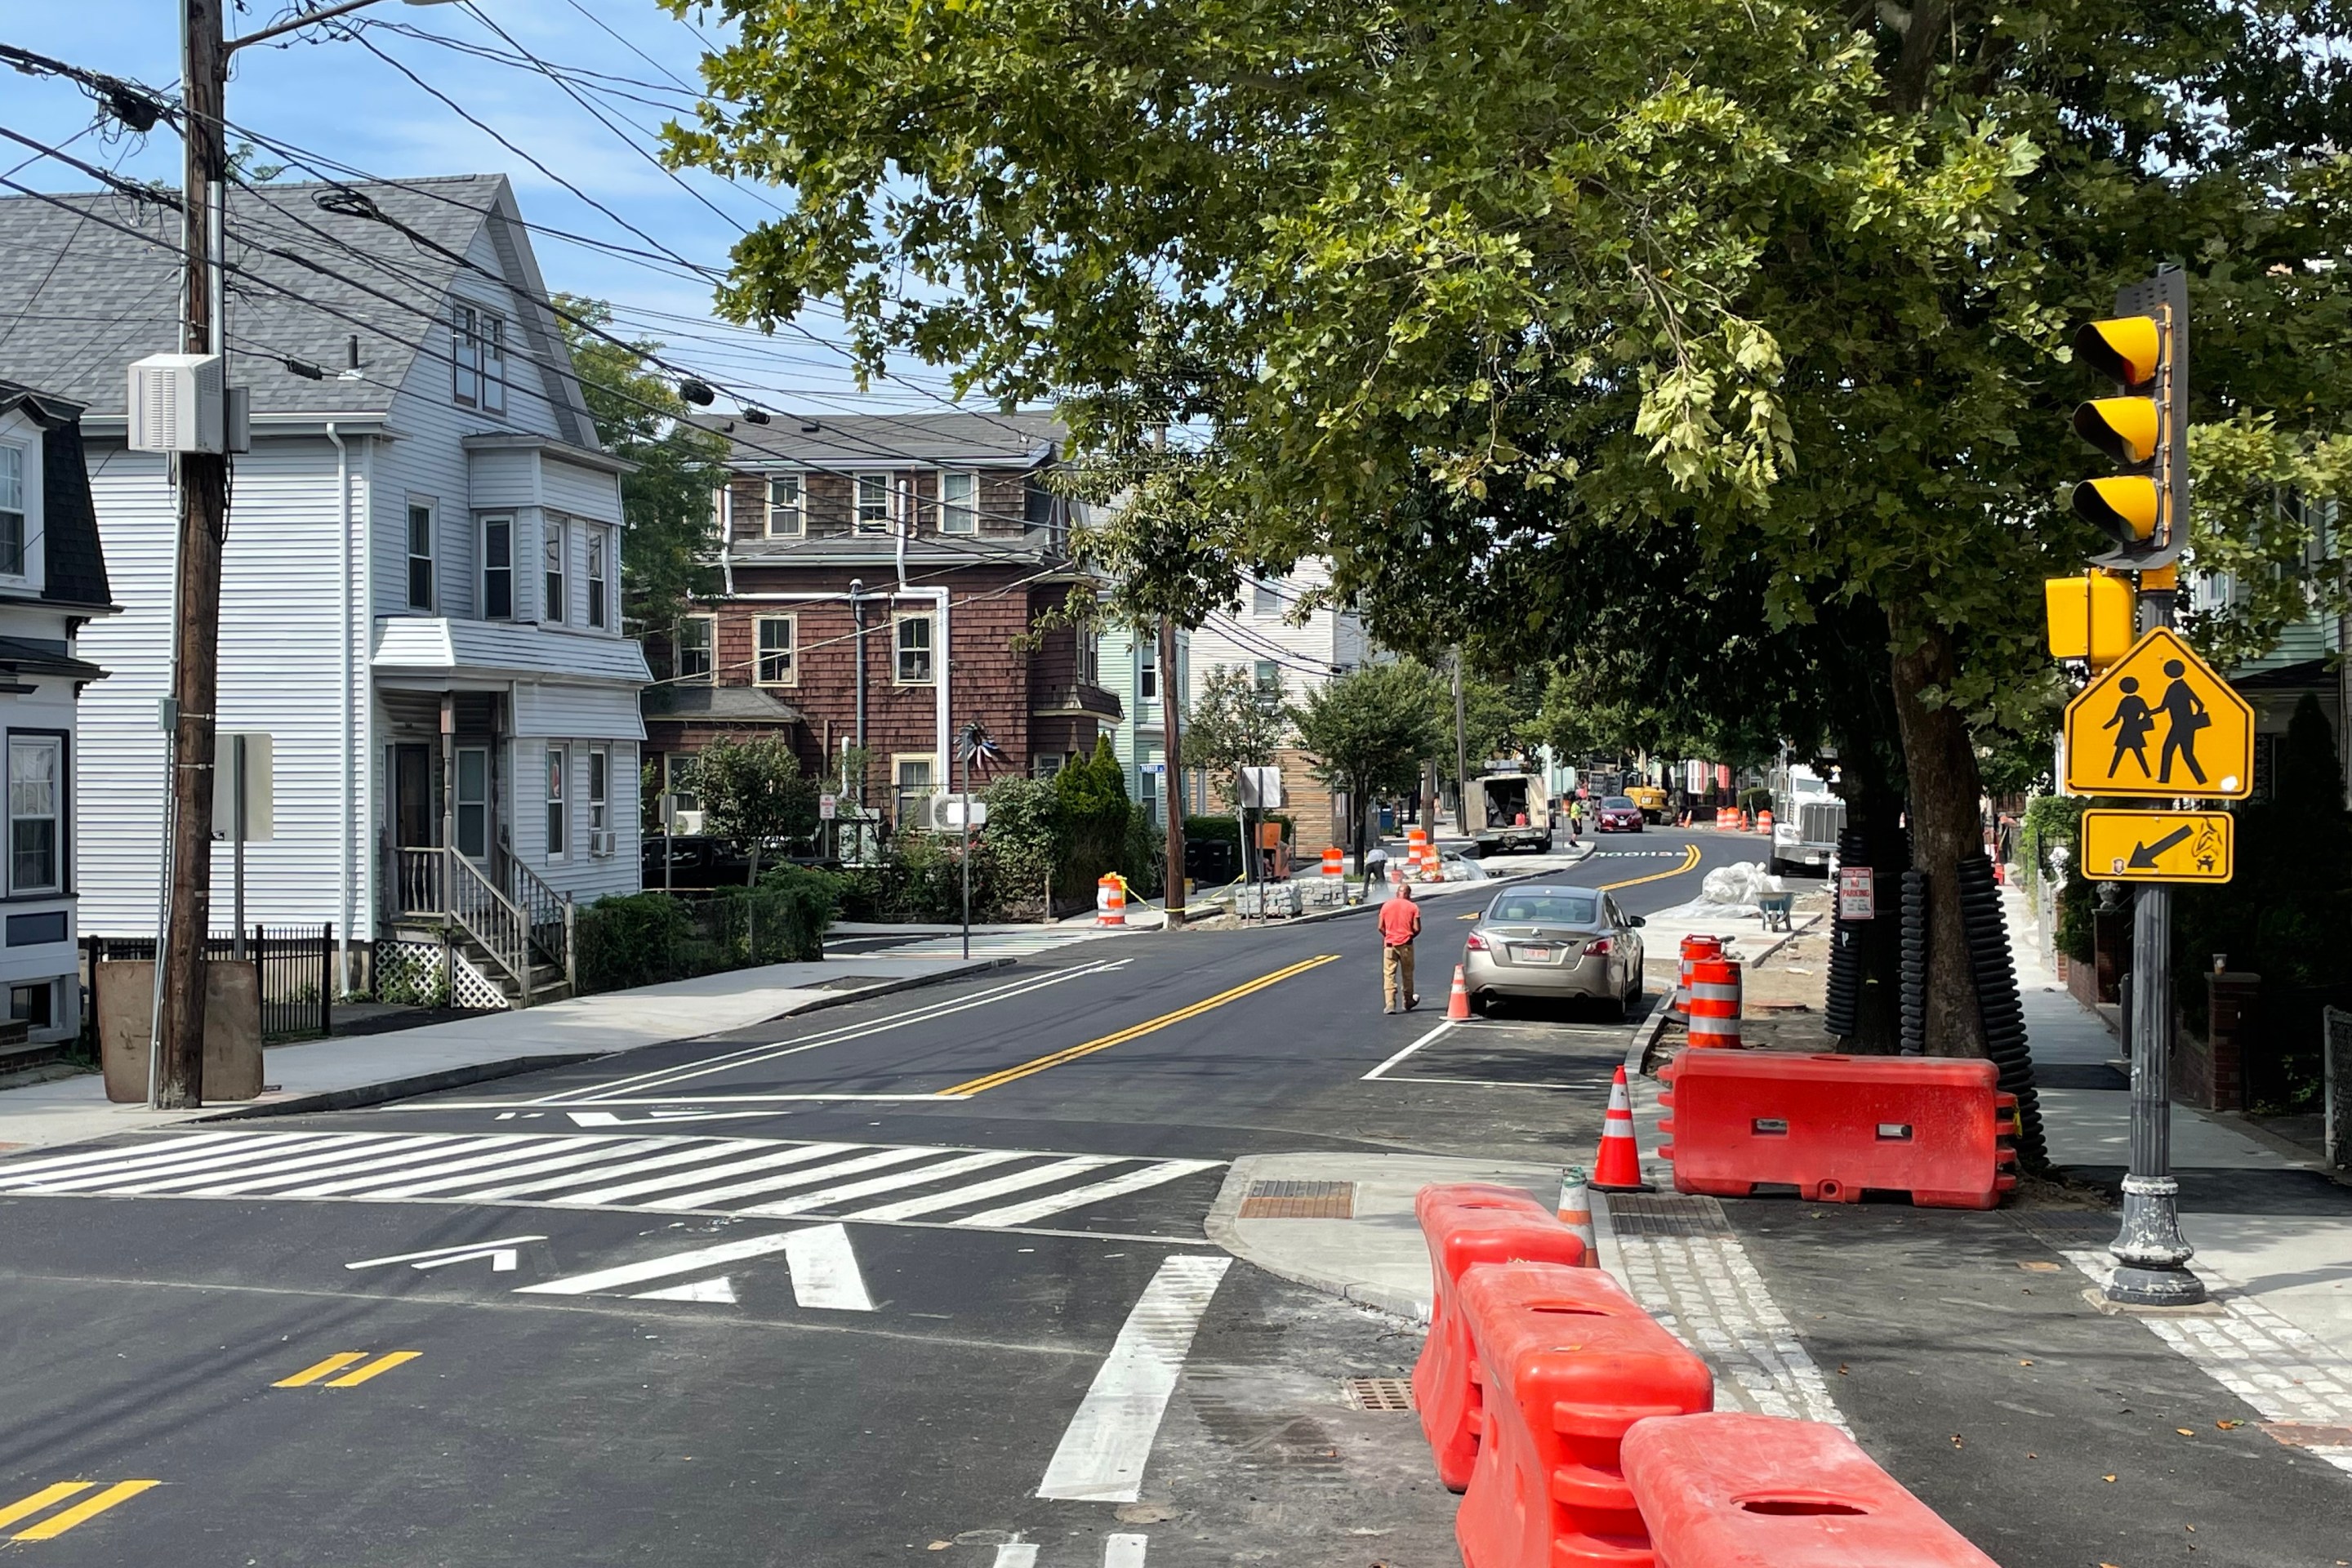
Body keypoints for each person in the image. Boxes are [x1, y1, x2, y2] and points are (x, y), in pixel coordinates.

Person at [1379, 880, 1422, 1013]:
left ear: (1397, 894)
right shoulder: (1413, 907)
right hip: (1406, 945)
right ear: (1409, 895)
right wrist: (1409, 937)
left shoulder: (1386, 906)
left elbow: (1380, 927)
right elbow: (1417, 928)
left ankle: (1390, 1003)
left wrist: (1388, 936)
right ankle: (1408, 1001)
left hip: (1389, 945)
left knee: (1389, 974)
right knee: (1407, 974)